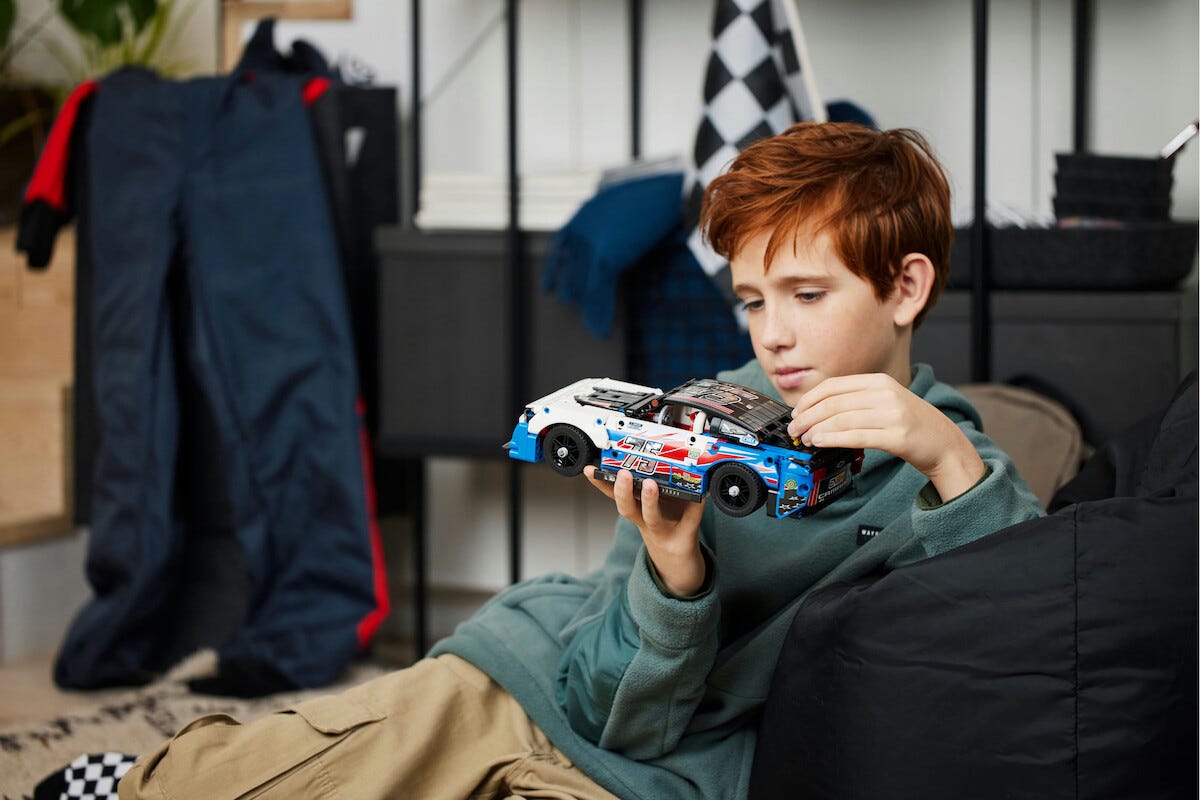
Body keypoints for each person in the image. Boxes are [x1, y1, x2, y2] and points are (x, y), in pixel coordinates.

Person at [118, 122, 1042, 800]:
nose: (774, 335)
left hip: (662, 778)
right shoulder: (712, 413)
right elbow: (604, 700)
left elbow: (1025, 647)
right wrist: (673, 573)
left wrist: (946, 455)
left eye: (807, 294)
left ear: (905, 287)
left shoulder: (957, 467)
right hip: (531, 680)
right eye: (754, 301)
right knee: (202, 786)